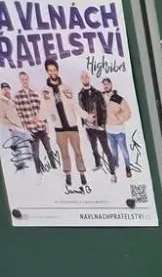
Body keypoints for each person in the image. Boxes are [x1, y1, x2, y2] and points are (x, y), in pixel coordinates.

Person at [42, 61, 85, 192]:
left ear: (58, 70)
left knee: (78, 151)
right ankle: (68, 174)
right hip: (59, 128)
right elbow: (44, 109)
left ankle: (82, 173)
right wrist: (40, 119)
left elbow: (75, 106)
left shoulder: (66, 88)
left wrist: (86, 115)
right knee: (64, 153)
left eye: (54, 69)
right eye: (50, 70)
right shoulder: (44, 90)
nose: (53, 72)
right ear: (47, 72)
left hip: (72, 127)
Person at [13, 71, 52, 175]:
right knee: (35, 154)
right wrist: (25, 130)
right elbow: (19, 115)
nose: (25, 81)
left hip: (42, 128)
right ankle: (39, 173)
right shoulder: (17, 96)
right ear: (20, 80)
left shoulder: (35, 94)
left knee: (49, 149)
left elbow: (42, 110)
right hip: (31, 131)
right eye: (22, 79)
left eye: (26, 79)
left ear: (28, 79)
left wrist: (46, 125)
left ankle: (55, 167)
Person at [77, 74, 109, 177]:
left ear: (89, 78)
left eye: (86, 77)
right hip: (89, 127)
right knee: (94, 147)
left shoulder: (97, 93)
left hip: (99, 125)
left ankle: (110, 165)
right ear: (81, 79)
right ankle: (98, 163)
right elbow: (81, 109)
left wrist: (102, 124)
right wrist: (83, 123)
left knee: (105, 147)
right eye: (83, 77)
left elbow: (103, 109)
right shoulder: (80, 94)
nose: (85, 79)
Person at [104, 79, 135, 179]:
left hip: (119, 131)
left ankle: (128, 168)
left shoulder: (119, 99)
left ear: (111, 85)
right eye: (104, 84)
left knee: (124, 151)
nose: (106, 86)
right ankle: (115, 164)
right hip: (109, 130)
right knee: (113, 150)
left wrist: (119, 118)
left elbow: (128, 112)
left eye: (107, 84)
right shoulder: (102, 98)